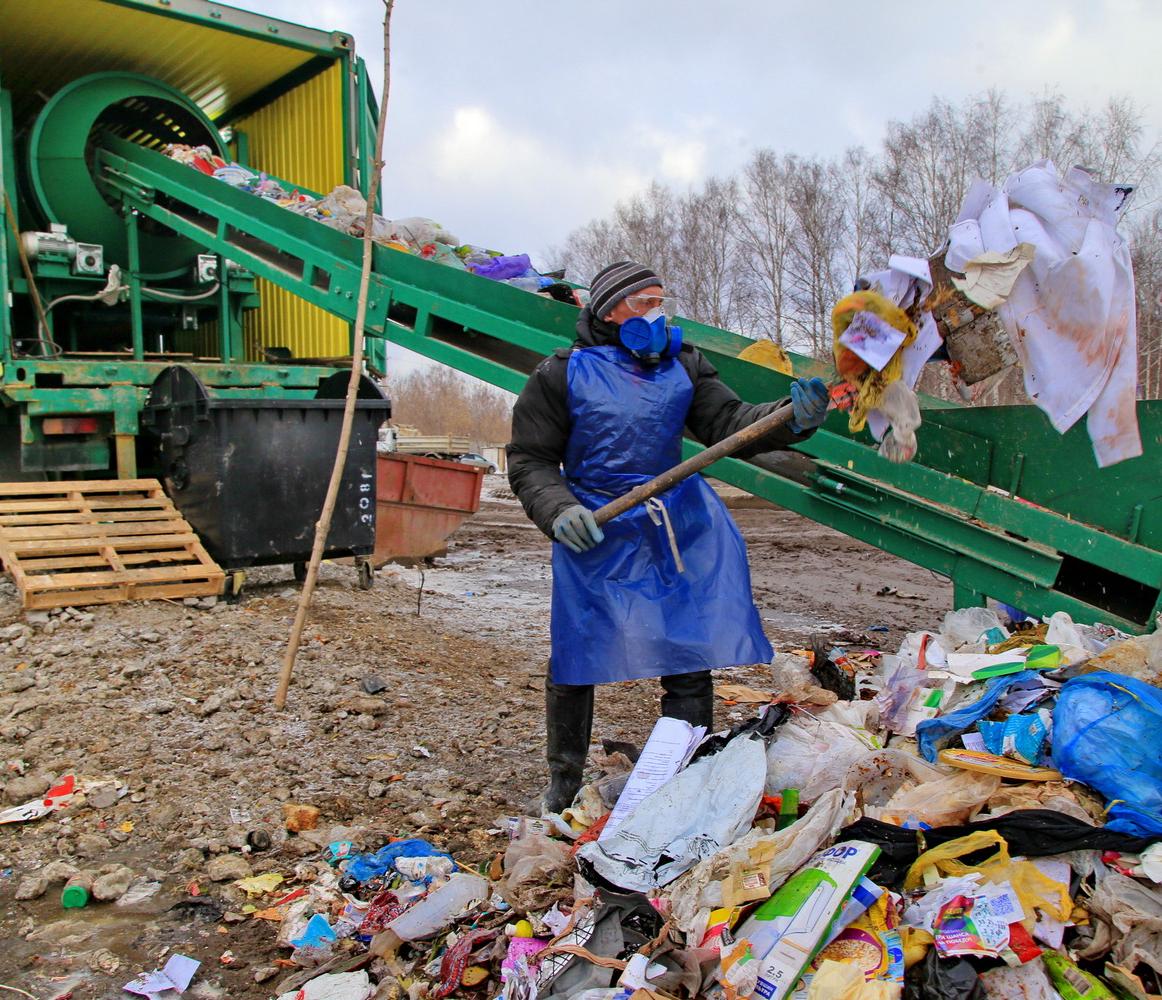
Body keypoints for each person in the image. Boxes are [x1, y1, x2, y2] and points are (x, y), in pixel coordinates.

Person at [507, 260, 829, 813]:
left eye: (662, 301)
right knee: (577, 652)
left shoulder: (684, 362)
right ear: (609, 310)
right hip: (597, 525)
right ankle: (562, 780)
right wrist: (558, 510)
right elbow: (530, 458)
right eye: (645, 303)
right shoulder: (560, 374)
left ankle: (684, 769)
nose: (658, 313)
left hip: (673, 524)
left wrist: (789, 417)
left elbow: (730, 423)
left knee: (687, 645)